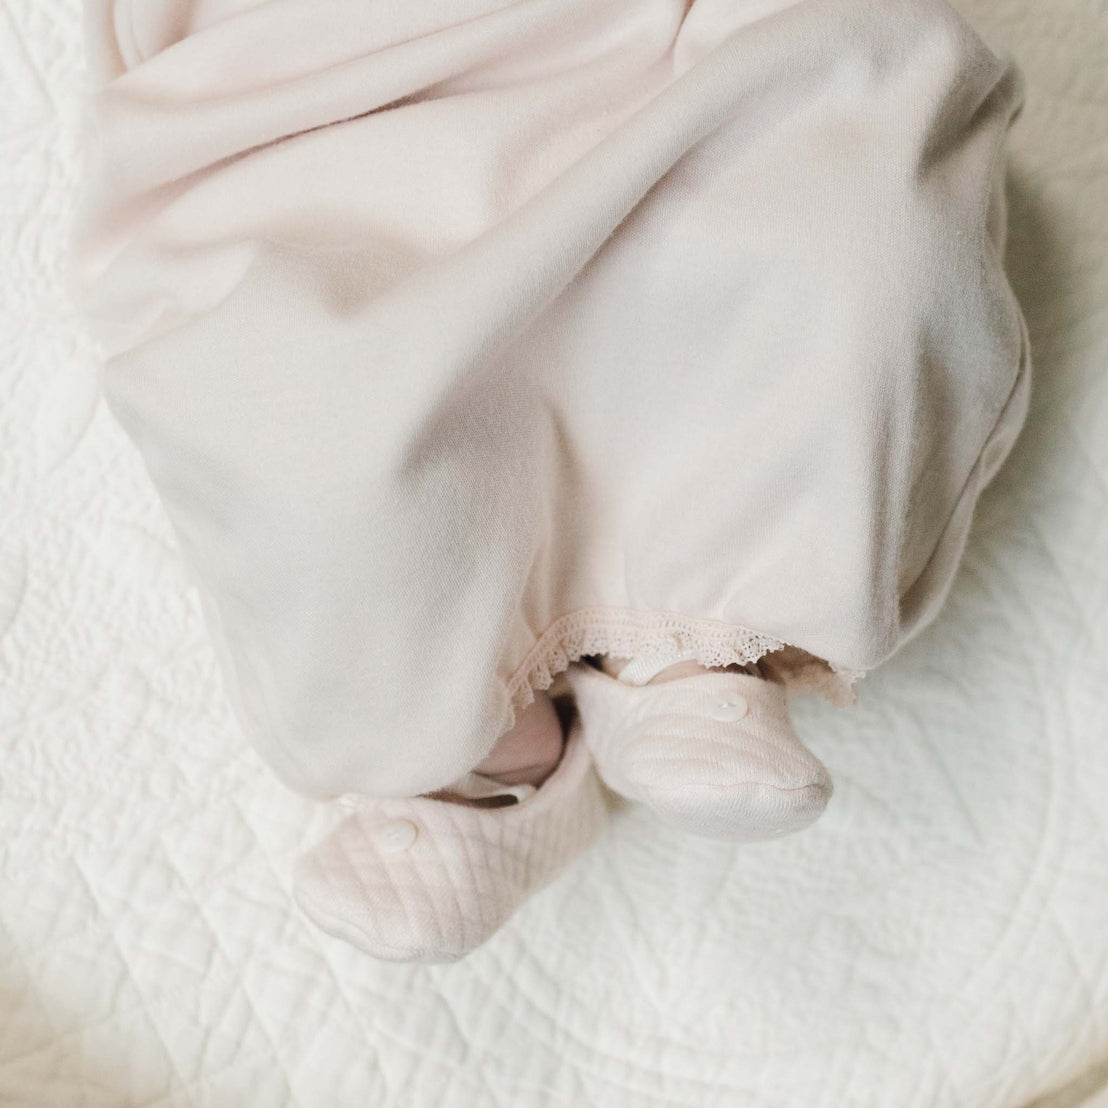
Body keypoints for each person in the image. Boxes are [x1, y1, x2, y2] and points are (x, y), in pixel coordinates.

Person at [72, 0, 1030, 962]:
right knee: (311, 405)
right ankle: (480, 752)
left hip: (648, 60)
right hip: (315, 126)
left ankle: (707, 643)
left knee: (863, 230)